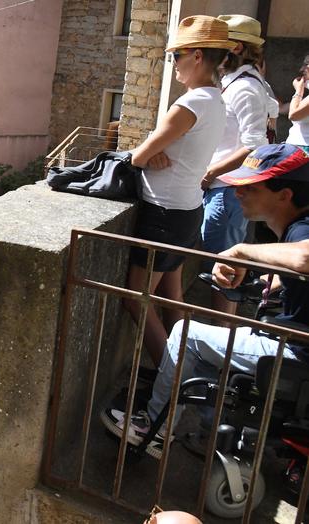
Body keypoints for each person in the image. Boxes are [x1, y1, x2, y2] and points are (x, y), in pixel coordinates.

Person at [103, 144, 309, 457]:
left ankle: (154, 431)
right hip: (291, 341)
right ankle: (213, 434)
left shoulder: (303, 230)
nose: (238, 192)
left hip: (296, 352)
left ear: (285, 195)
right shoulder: (297, 227)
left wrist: (241, 253)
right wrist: (272, 280)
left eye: (251, 187)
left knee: (187, 335)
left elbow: (306, 258)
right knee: (201, 360)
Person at [123, 16, 234, 366]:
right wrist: (154, 154)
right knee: (172, 298)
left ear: (197, 56)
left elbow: (138, 156)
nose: (173, 64)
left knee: (134, 298)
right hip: (187, 210)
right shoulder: (216, 100)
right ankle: (193, 370)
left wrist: (149, 155)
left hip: (164, 213)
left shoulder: (190, 104)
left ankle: (171, 387)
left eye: (176, 56)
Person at [200, 15, 272, 319]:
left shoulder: (244, 88)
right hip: (228, 190)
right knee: (224, 270)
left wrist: (211, 172)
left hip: (226, 190)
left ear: (236, 47)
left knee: (223, 275)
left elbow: (253, 145)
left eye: (219, 47)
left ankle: (221, 347)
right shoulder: (248, 83)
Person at [287, 55, 309, 153]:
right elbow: (280, 107)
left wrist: (298, 91)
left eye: (306, 65)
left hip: (303, 151)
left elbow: (293, 114)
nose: (302, 69)